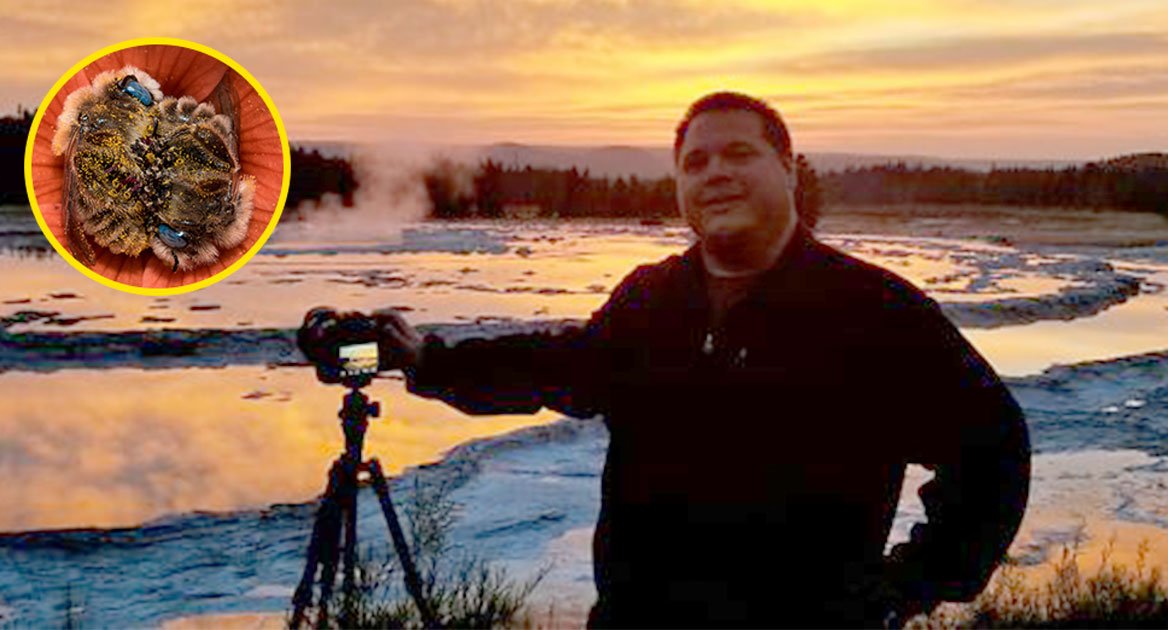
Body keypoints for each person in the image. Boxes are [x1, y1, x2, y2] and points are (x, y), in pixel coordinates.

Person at [373, 91, 1030, 628]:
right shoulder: (650, 299)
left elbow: (992, 448)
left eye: (739, 153)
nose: (715, 172)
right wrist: (427, 361)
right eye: (695, 162)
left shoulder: (874, 310)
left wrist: (905, 588)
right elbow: (556, 366)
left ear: (788, 167)